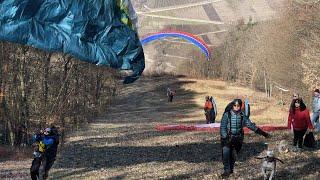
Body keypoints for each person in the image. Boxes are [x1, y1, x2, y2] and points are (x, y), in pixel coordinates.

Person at [220, 99, 270, 177]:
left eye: (238, 106)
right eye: (234, 105)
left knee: (233, 154)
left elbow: (250, 125)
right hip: (228, 138)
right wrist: (225, 137)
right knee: (226, 153)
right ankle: (227, 170)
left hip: (238, 138)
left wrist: (263, 133)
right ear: (232, 105)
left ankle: (231, 169)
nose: (236, 107)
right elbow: (223, 127)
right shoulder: (227, 115)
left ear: (240, 106)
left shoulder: (243, 115)